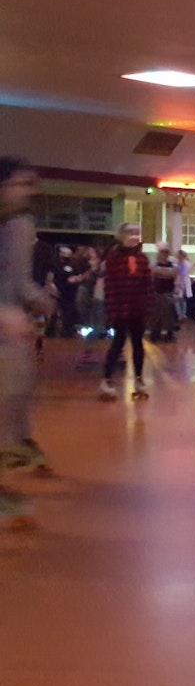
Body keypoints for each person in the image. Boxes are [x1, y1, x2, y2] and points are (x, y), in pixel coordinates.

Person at [1, 158, 53, 526]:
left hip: (9, 331)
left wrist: (37, 298)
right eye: (21, 184)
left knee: (15, 390)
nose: (29, 191)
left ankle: (19, 442)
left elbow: (17, 280)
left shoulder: (21, 225)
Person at [99, 223, 154, 401]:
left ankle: (139, 378)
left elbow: (148, 285)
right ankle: (107, 379)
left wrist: (148, 307)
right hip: (120, 308)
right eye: (130, 233)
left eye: (137, 233)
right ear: (122, 236)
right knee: (118, 343)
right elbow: (110, 286)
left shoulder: (142, 259)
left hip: (138, 308)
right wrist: (111, 310)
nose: (134, 237)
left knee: (138, 344)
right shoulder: (113, 258)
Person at [149, 244, 180, 341]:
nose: (164, 255)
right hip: (157, 292)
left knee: (169, 314)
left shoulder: (173, 266)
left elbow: (176, 278)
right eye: (162, 253)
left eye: (166, 253)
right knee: (156, 314)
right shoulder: (154, 265)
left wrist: (176, 292)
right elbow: (151, 277)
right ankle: (155, 333)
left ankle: (169, 334)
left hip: (168, 292)